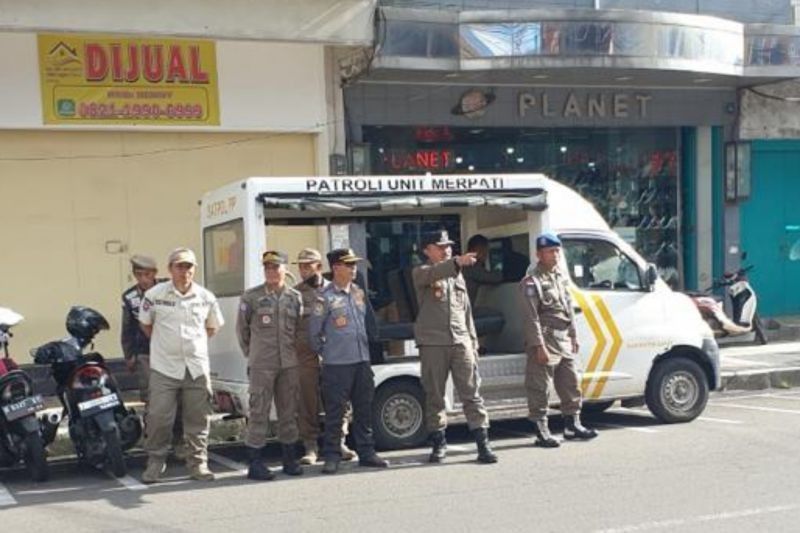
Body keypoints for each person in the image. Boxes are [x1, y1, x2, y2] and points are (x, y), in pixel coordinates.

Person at [138, 247, 224, 483]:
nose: (184, 271)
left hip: (196, 368)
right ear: (170, 269)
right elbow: (146, 325)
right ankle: (155, 462)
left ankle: (198, 464)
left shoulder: (206, 297)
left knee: (198, 419)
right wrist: (167, 345)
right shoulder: (154, 295)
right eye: (179, 266)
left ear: (194, 269)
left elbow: (212, 327)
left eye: (189, 266)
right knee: (158, 418)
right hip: (165, 368)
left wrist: (191, 346)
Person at [412, 230, 497, 464]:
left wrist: (473, 341)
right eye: (440, 246)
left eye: (448, 246)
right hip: (433, 342)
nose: (446, 249)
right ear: (427, 250)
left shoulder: (457, 276)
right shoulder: (422, 272)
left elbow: (466, 310)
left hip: (460, 341)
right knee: (435, 396)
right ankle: (438, 444)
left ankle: (483, 443)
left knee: (472, 393)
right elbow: (431, 274)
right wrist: (457, 261)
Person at [308, 248, 388, 474]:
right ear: (336, 268)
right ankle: (332, 455)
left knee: (364, 409)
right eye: (349, 265)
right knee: (335, 412)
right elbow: (314, 334)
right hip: (337, 364)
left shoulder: (358, 292)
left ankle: (367, 452)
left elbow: (365, 323)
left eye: (354, 265)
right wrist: (328, 352)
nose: (354, 269)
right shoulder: (324, 297)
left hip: (361, 360)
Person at [518, 232, 598, 448]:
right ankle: (541, 430)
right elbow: (531, 317)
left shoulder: (559, 277)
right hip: (545, 338)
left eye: (557, 251)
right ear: (539, 254)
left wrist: (573, 334)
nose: (555, 255)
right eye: (550, 251)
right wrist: (538, 346)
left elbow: (567, 308)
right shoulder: (531, 281)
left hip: (563, 338)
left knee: (571, 382)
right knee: (540, 387)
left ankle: (572, 424)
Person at [237, 251, 303, 481]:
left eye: (276, 267)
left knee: (288, 411)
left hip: (288, 364)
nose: (272, 272)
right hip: (262, 364)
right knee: (259, 411)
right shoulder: (251, 297)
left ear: (285, 269)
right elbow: (242, 331)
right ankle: (255, 463)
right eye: (267, 268)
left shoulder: (295, 297)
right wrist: (252, 354)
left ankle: (289, 459)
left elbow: (299, 331)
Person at [292, 248, 356, 465]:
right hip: (306, 356)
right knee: (307, 401)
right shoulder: (295, 294)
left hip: (333, 354)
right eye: (300, 266)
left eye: (308, 265)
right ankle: (310, 446)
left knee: (338, 400)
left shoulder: (335, 290)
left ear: (319, 266)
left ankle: (339, 442)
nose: (303, 270)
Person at [120, 255, 185, 455]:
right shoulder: (130, 297)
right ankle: (154, 441)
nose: (143, 279)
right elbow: (127, 328)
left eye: (147, 274)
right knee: (153, 398)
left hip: (172, 351)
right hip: (145, 353)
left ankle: (179, 439)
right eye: (138, 275)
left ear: (155, 274)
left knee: (178, 396)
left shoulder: (168, 288)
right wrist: (129, 355)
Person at [461, 234, 503, 306]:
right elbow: (494, 278)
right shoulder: (471, 265)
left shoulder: (464, 264)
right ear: (478, 249)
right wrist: (499, 267)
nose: (486, 254)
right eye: (485, 250)